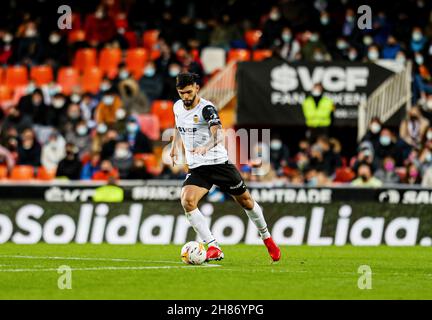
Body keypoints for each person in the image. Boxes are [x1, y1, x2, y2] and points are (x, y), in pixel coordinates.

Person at [170, 73, 280, 262]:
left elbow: (219, 135)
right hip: (198, 168)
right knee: (187, 201)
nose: (186, 97)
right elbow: (178, 124)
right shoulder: (177, 106)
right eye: (182, 93)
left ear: (196, 88)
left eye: (188, 92)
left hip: (219, 164)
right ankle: (213, 246)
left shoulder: (207, 109)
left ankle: (267, 238)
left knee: (246, 201)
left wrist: (206, 146)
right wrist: (173, 146)